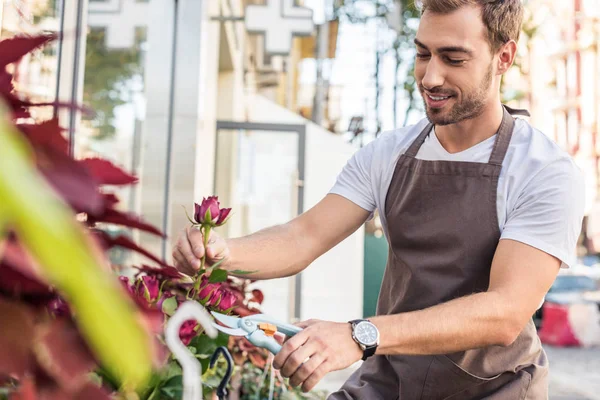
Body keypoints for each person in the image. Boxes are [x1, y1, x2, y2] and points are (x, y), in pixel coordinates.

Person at [172, 0, 585, 398]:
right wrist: (222, 251)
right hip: (391, 379)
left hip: (494, 390)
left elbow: (504, 313)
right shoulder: (389, 153)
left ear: (504, 57)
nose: (430, 77)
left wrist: (359, 335)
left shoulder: (542, 170)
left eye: (453, 59)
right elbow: (303, 236)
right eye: (423, 54)